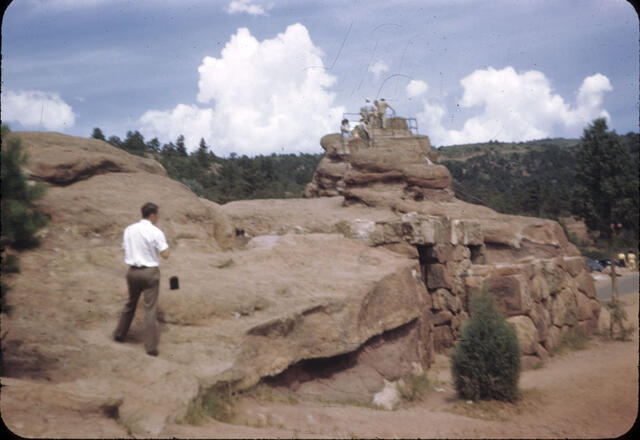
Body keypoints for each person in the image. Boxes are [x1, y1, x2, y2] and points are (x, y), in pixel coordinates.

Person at [113, 202, 170, 356]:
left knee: (130, 304)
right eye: (157, 215)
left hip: (132, 272)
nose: (158, 218)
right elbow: (165, 255)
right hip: (149, 272)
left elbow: (126, 248)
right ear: (152, 215)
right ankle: (150, 347)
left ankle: (119, 334)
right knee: (150, 309)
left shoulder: (129, 229)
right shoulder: (156, 231)